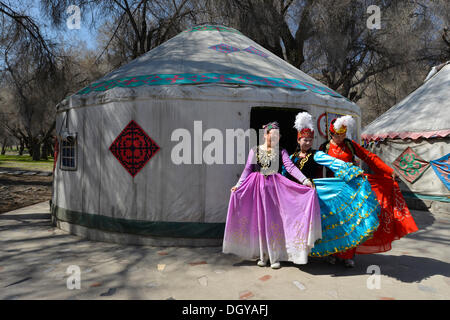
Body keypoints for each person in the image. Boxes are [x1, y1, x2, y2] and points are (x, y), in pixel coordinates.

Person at [319, 115, 418, 267]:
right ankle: (332, 254)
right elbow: (319, 169)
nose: (341, 138)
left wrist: (388, 171)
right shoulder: (325, 147)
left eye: (343, 135)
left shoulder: (350, 145)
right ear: (331, 134)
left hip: (352, 188)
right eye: (338, 135)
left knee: (352, 222)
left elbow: (369, 157)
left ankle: (348, 256)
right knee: (334, 223)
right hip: (333, 190)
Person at [282, 112, 381, 263]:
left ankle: (323, 253)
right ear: (298, 139)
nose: (307, 143)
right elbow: (285, 172)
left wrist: (351, 170)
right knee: (293, 224)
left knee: (318, 224)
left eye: (310, 140)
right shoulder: (292, 157)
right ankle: (291, 253)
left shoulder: (316, 154)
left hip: (309, 195)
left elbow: (334, 162)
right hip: (293, 195)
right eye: (304, 140)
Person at [223, 122, 321, 269]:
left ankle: (275, 256)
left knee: (273, 221)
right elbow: (247, 169)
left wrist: (305, 180)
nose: (275, 138)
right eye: (272, 135)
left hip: (275, 190)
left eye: (277, 136)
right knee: (260, 222)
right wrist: (237, 186)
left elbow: (290, 167)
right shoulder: (255, 150)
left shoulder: (281, 151)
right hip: (256, 189)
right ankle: (263, 255)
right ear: (265, 135)